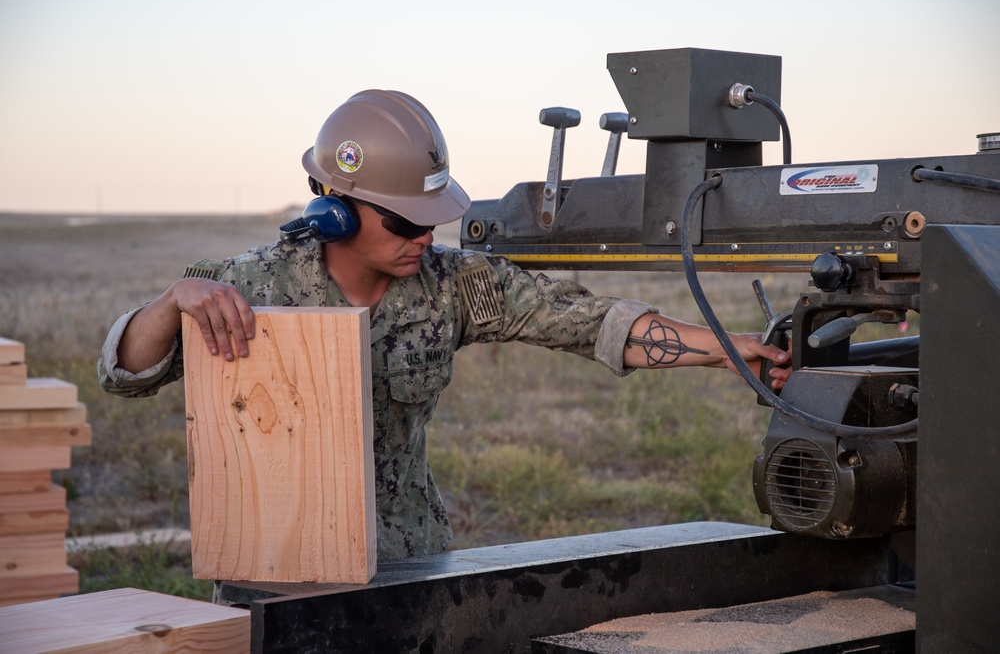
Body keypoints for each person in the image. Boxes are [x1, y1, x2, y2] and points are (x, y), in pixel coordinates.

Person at [98, 89, 790, 561]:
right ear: (336, 209)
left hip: (408, 563)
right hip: (275, 568)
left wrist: (728, 353)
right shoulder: (245, 287)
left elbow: (585, 322)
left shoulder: (453, 285)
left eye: (434, 220)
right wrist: (171, 302)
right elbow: (125, 374)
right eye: (405, 221)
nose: (426, 237)